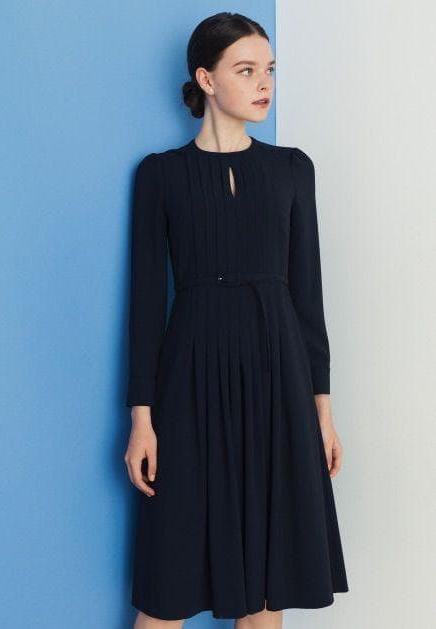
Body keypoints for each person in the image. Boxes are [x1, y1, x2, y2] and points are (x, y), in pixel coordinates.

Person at [124, 11, 349, 628]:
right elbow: (145, 303)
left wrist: (322, 413)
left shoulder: (293, 168)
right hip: (190, 380)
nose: (264, 84)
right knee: (167, 580)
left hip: (279, 380)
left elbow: (308, 297)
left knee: (266, 585)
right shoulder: (161, 175)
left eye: (269, 69)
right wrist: (142, 420)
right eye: (246, 70)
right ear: (207, 79)